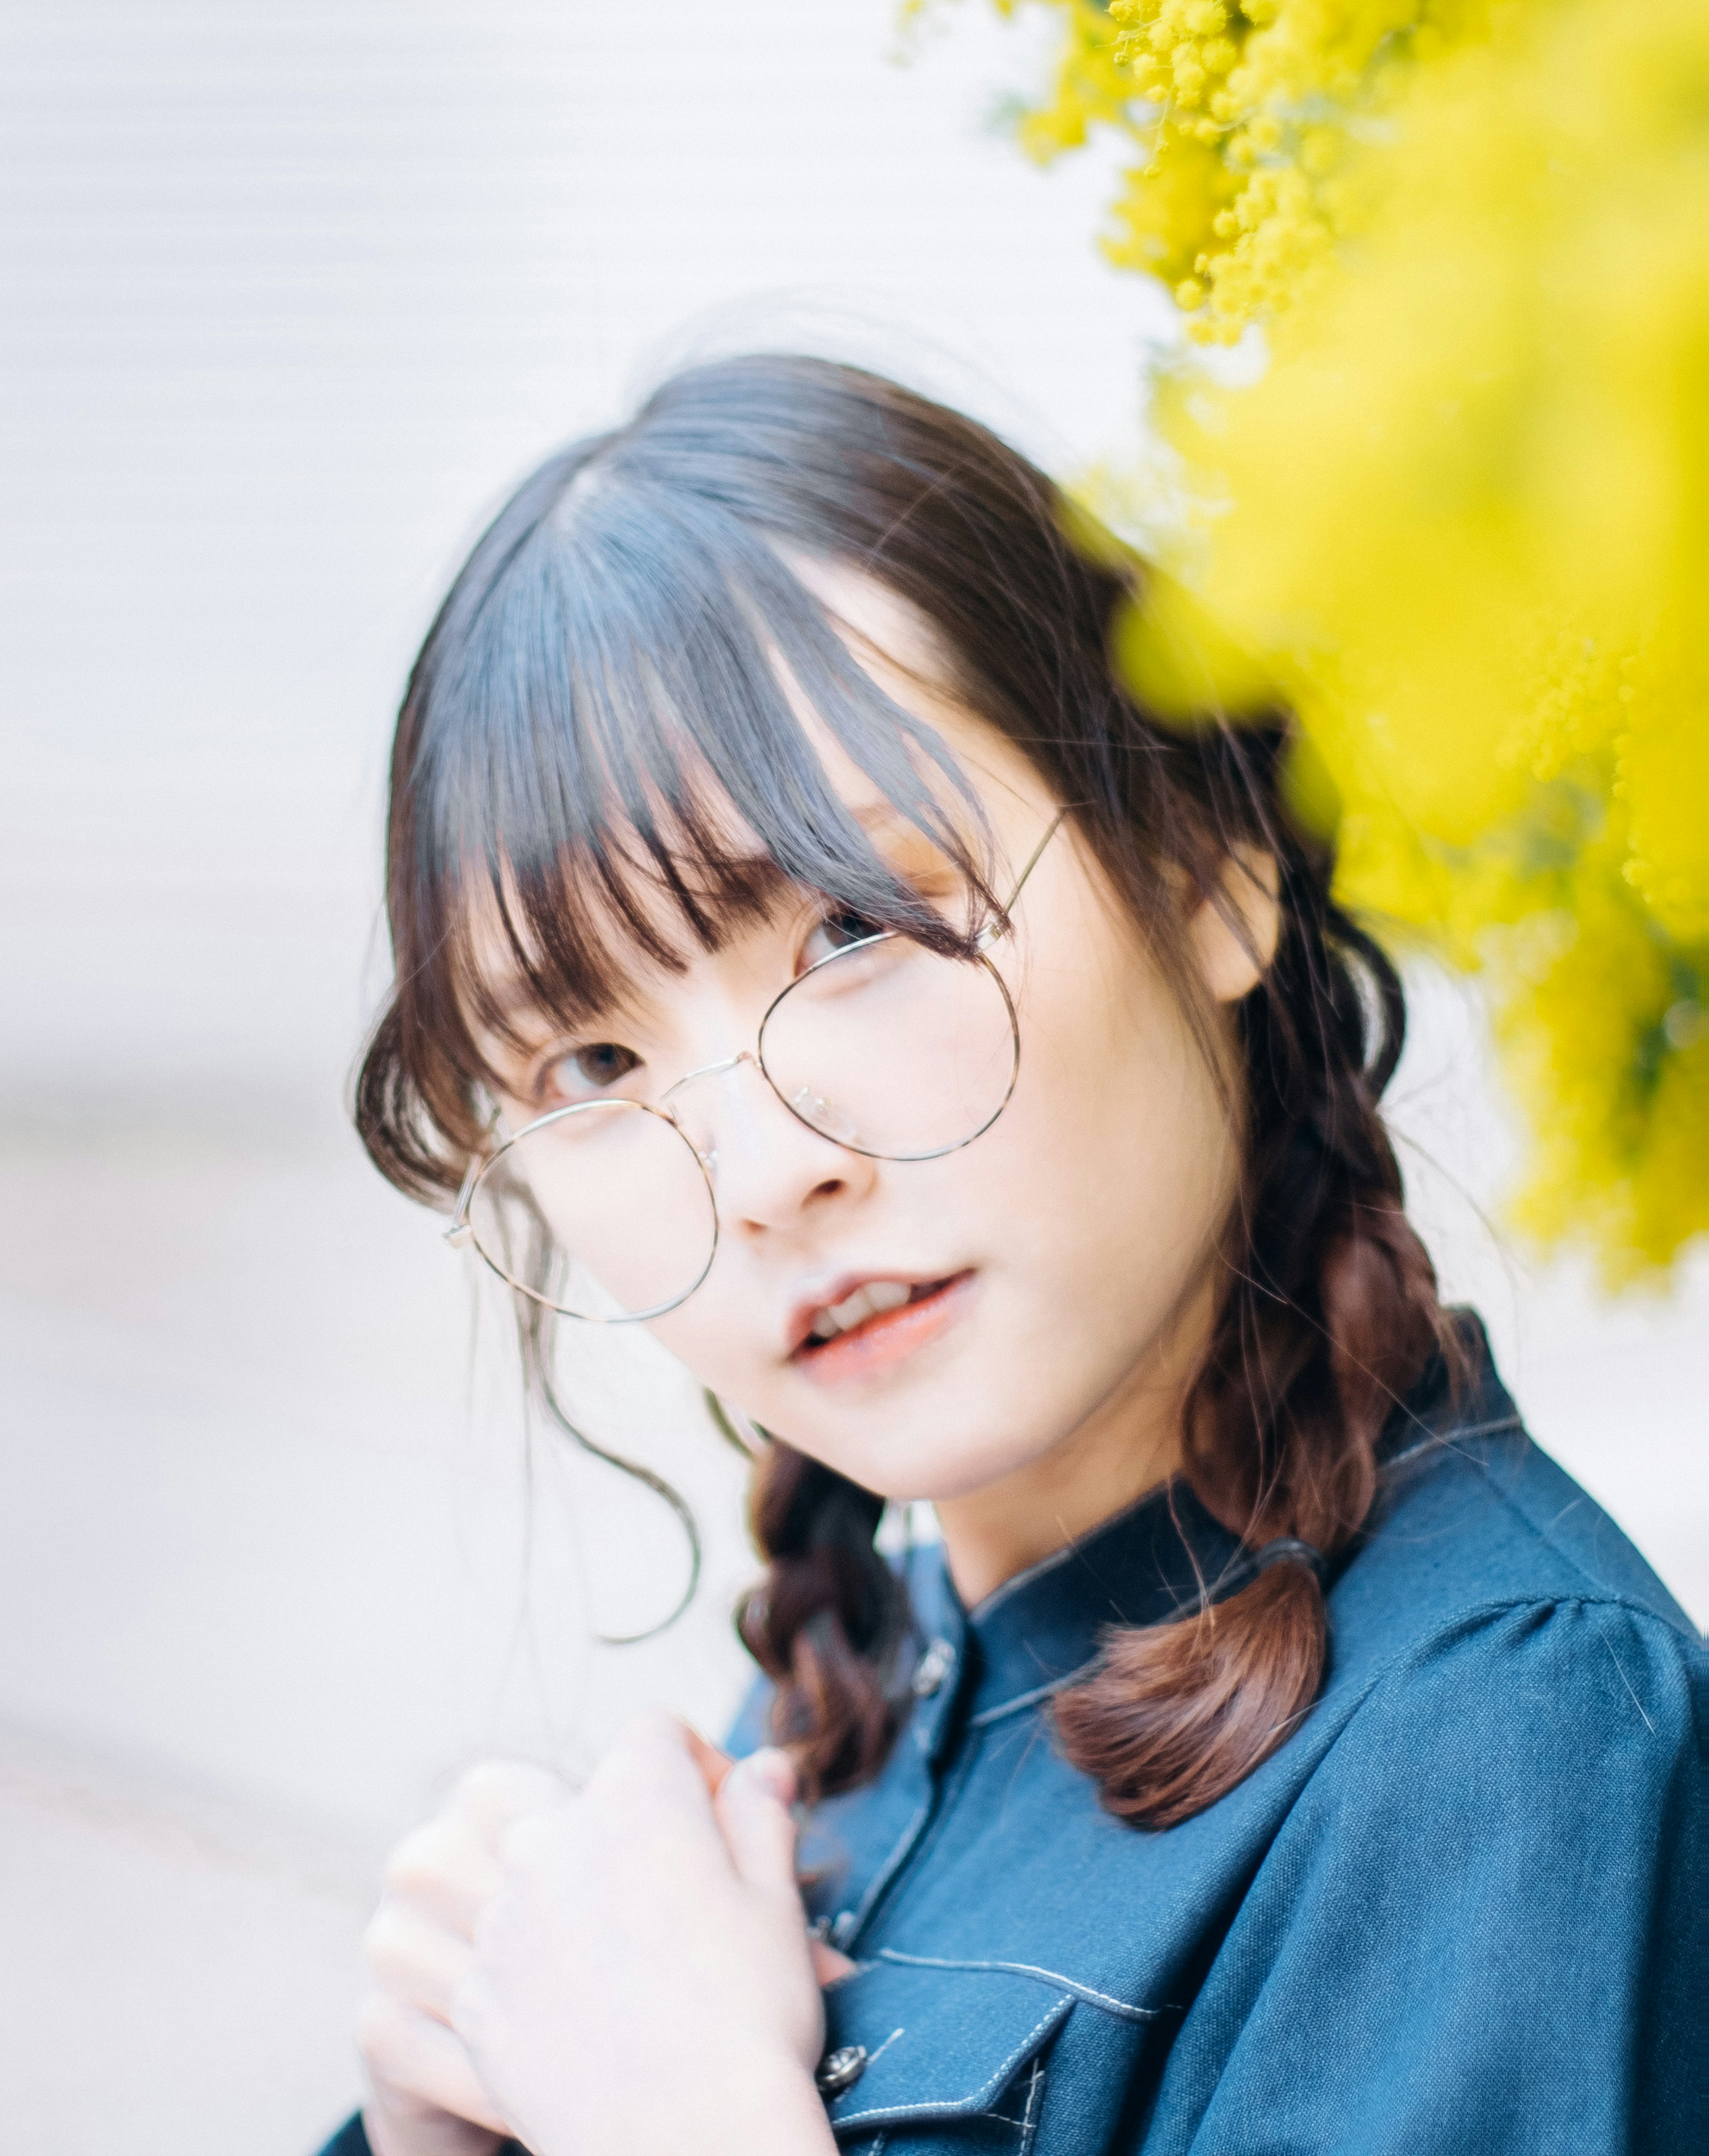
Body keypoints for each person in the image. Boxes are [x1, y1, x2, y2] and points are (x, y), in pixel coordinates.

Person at [314, 357, 1702, 2156]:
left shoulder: (1502, 1743)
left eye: (859, 924)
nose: (762, 1168)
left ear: (1201, 861)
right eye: (590, 1063)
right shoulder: (850, 1712)